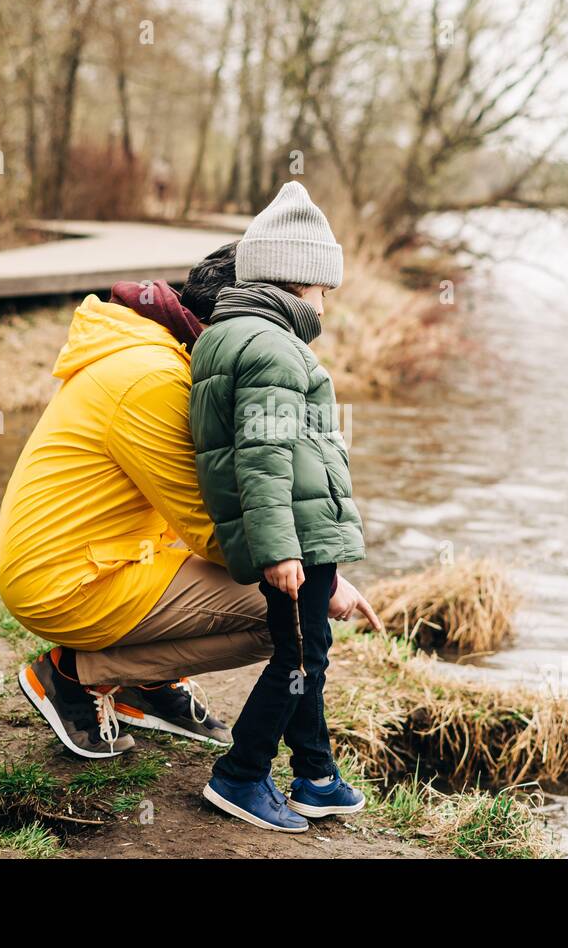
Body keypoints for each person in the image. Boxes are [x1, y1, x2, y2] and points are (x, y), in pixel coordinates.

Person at [0, 241, 382, 761]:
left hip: (110, 556)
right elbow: (210, 527)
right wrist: (320, 578)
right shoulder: (155, 378)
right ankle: (74, 675)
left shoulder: (156, 349)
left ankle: (146, 683)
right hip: (68, 581)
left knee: (288, 592)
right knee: (287, 611)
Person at [190, 182, 378, 833]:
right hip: (295, 536)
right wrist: (280, 549)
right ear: (299, 281)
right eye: (325, 289)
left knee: (308, 653)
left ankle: (316, 774)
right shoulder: (273, 348)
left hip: (299, 535)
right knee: (297, 661)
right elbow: (264, 458)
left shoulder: (229, 334)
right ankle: (241, 774)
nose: (327, 304)